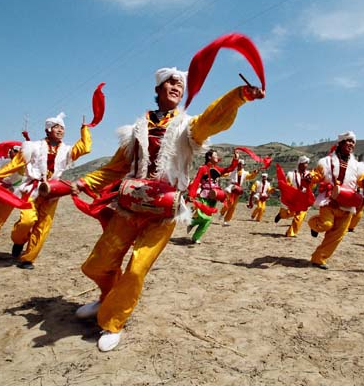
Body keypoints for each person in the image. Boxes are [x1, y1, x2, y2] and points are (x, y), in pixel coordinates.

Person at [72, 67, 265, 352]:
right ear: (159, 88)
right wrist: (84, 181)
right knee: (98, 263)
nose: (177, 86)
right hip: (130, 205)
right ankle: (107, 296)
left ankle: (112, 321)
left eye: (181, 84)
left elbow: (212, 120)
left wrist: (238, 96)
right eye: (171, 82)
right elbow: (115, 168)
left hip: (165, 210)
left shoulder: (188, 127)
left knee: (136, 269)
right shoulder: (135, 130)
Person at [0, 113, 92, 269]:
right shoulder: (32, 146)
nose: (61, 130)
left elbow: (85, 147)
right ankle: (19, 240)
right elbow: (15, 164)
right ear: (48, 130)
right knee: (27, 221)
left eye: (63, 128)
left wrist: (85, 128)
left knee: (43, 225)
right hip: (32, 188)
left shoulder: (67, 150)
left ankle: (28, 258)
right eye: (57, 127)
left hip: (52, 191)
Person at [307, 131, 364, 270]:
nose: (351, 144)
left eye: (353, 142)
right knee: (326, 225)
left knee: (337, 235)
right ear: (341, 143)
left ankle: (318, 258)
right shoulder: (326, 162)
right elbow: (317, 175)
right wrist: (310, 177)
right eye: (348, 141)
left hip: (348, 204)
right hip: (329, 201)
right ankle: (314, 223)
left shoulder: (358, 165)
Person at [186, 149, 239, 244]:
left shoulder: (218, 169)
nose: (217, 157)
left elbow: (229, 169)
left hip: (214, 197)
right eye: (215, 155)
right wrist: (191, 195)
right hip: (204, 196)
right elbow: (197, 181)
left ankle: (195, 237)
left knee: (207, 221)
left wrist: (235, 159)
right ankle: (192, 222)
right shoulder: (203, 168)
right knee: (205, 217)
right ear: (209, 157)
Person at [274, 156, 313, 237]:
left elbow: (312, 186)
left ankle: (290, 233)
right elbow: (287, 185)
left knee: (300, 216)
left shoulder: (309, 175)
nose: (307, 165)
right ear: (300, 164)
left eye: (307, 163)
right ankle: (281, 215)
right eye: (305, 163)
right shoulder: (291, 174)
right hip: (293, 198)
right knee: (287, 213)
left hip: (303, 199)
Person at [219, 159, 258, 226]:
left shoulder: (245, 173)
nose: (240, 165)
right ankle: (222, 213)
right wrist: (219, 173)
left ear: (243, 165)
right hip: (231, 188)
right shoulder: (232, 171)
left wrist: (255, 173)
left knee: (233, 206)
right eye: (239, 164)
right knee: (229, 203)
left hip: (238, 190)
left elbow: (251, 176)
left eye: (241, 164)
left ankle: (226, 220)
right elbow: (225, 174)